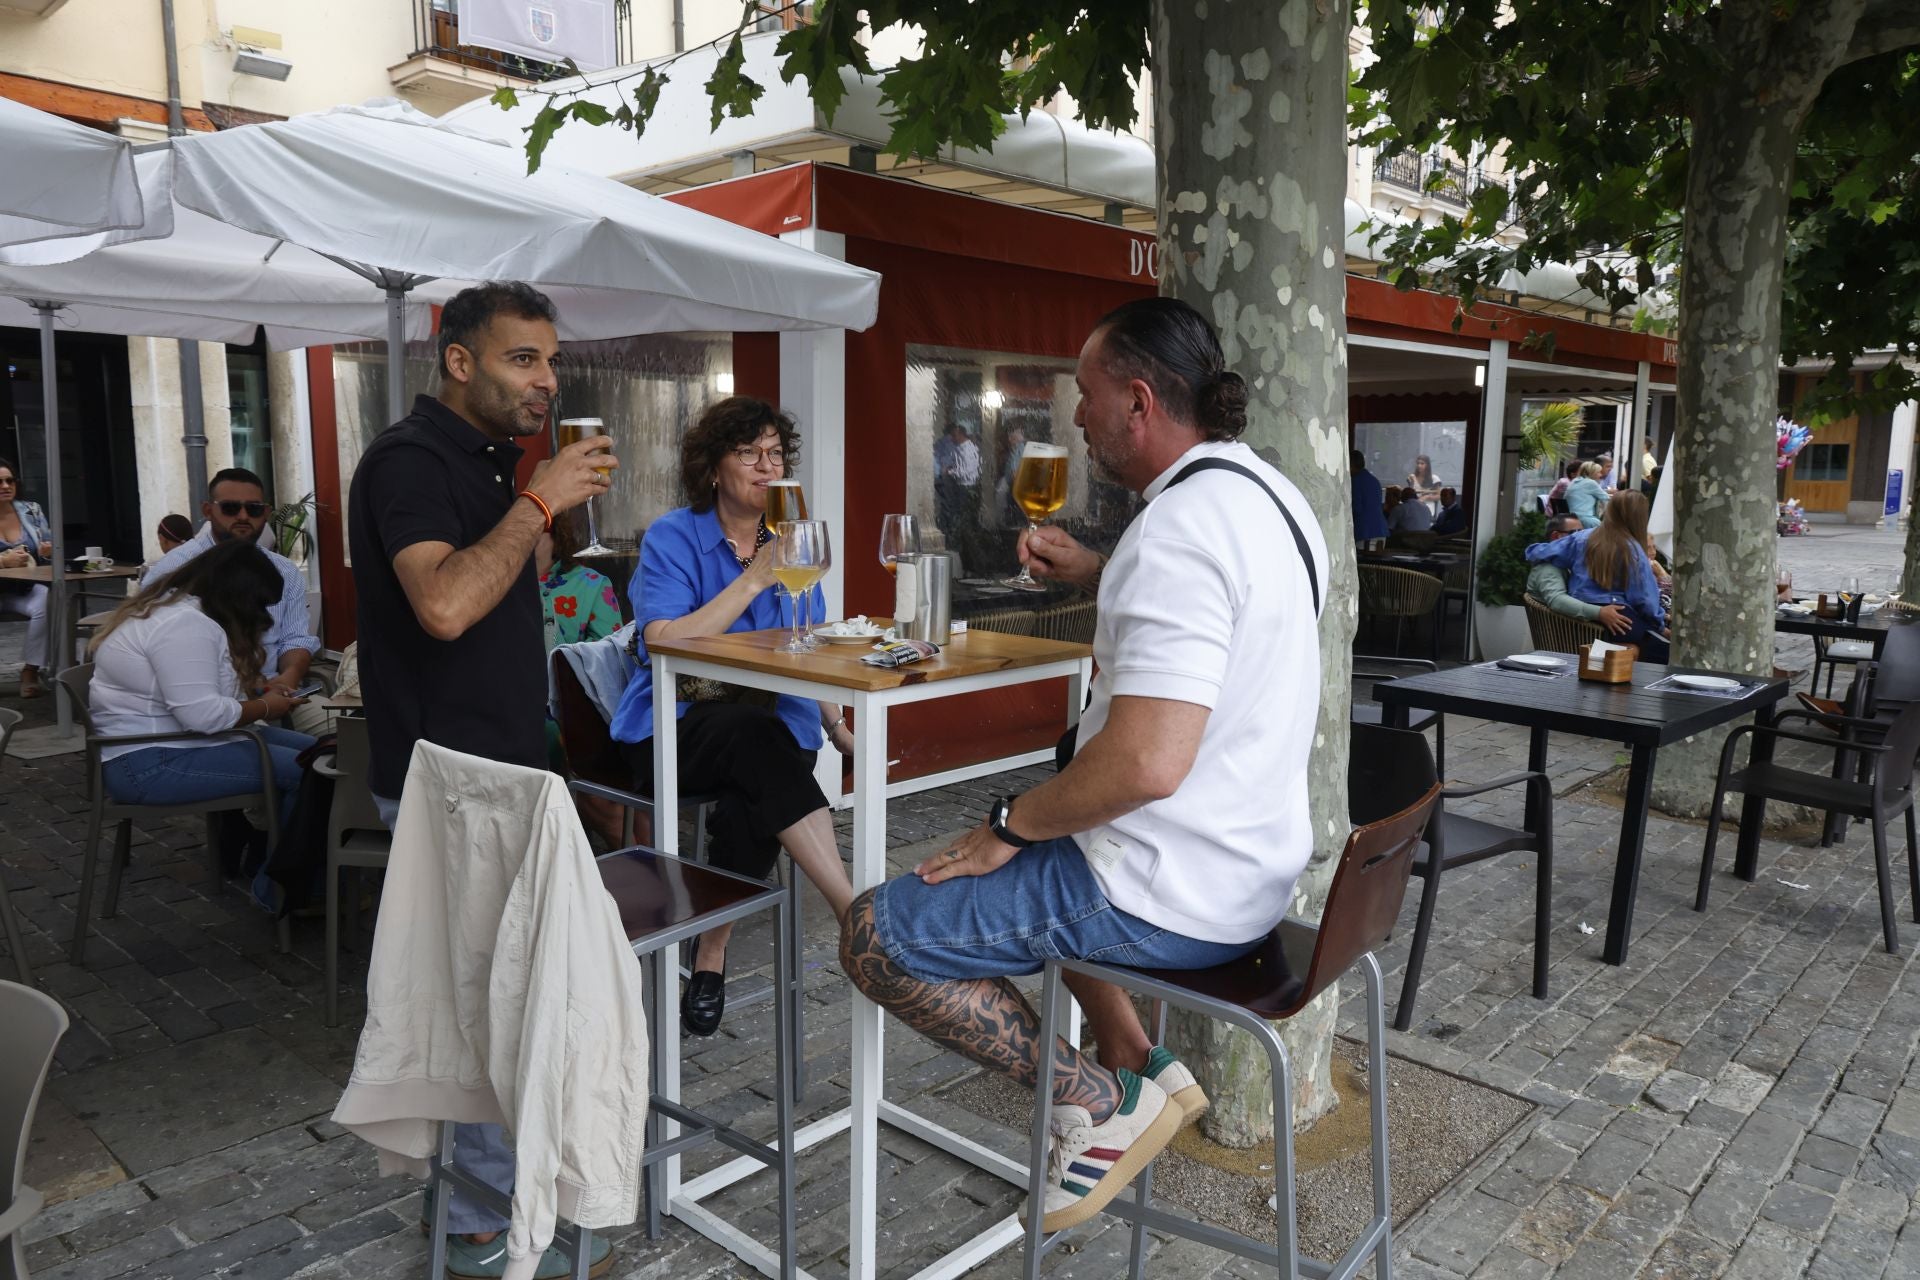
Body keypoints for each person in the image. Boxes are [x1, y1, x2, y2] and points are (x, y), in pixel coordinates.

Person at [838, 297, 1329, 1233]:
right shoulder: (1269, 497)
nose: (1076, 416)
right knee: (1056, 804)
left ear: (1139, 402)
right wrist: (1104, 570)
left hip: (1174, 892)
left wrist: (1008, 825)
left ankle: (1093, 1102)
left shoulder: (1175, 533)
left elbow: (1145, 765)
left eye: (1087, 394)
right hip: (1259, 869)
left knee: (878, 932)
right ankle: (1140, 1059)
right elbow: (1220, 614)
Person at [346, 279, 617, 1279]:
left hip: (500, 774)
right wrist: (540, 499)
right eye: (522, 358)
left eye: (551, 359)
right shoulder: (408, 462)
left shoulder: (493, 463)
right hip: (447, 784)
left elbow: (509, 593)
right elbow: (446, 604)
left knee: (508, 1002)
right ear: (458, 360)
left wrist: (539, 512)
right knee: (480, 1014)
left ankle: (503, 1203)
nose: (547, 379)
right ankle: (477, 1231)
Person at [607, 395, 856, 1037]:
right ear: (714, 468)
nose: (765, 466)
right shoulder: (674, 537)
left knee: (766, 767)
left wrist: (835, 726)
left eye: (774, 453)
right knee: (760, 742)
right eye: (748, 453)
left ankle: (710, 950)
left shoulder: (792, 541)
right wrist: (752, 580)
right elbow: (662, 638)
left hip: (771, 728)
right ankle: (853, 911)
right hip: (676, 723)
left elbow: (808, 641)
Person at [87, 539, 312, 832]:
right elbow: (204, 716)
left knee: (321, 753)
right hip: (152, 763)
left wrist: (257, 690)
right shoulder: (185, 625)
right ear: (239, 599)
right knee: (311, 771)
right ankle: (282, 873)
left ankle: (269, 856)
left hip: (170, 747)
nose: (264, 618)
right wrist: (266, 706)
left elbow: (195, 690)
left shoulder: (176, 611)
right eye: (260, 606)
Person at [141, 468, 320, 700]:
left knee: (342, 729)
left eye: (253, 509)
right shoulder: (173, 569)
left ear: (265, 513)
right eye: (230, 508)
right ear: (208, 510)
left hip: (274, 689)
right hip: (199, 697)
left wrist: (289, 677)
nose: (243, 516)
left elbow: (295, 638)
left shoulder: (284, 570)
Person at [1525, 490, 1668, 661]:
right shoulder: (1633, 549)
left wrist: (1534, 552)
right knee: (1665, 651)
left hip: (1580, 619)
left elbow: (1537, 552)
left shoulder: (1581, 538)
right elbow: (1644, 598)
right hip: (1618, 618)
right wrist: (1660, 625)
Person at [1526, 514, 1632, 637]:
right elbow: (1556, 600)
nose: (1581, 537)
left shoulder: (1570, 564)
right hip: (1567, 637)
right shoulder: (1548, 567)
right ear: (1556, 536)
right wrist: (1600, 613)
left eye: (1582, 532)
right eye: (1575, 532)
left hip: (1580, 630)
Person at [0, 457, 53, 698]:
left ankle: (31, 669)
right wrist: (3, 561)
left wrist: (47, 552)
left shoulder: (32, 510)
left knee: (46, 597)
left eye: (9, 480)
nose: (5, 486)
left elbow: (51, 555)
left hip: (22, 590)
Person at [933, 421, 983, 551]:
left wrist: (949, 471)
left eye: (953, 436)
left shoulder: (968, 449)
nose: (952, 439)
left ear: (959, 434)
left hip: (968, 489)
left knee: (963, 521)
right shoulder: (959, 448)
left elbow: (967, 471)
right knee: (958, 519)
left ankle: (965, 550)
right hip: (961, 487)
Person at [1351, 449, 1389, 547]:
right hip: (1380, 530)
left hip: (1364, 532)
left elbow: (1356, 508)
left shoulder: (1355, 481)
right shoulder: (1374, 480)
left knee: (1362, 561)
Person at [1566, 460, 1611, 528]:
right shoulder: (1591, 483)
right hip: (1586, 520)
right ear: (1592, 473)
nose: (1601, 475)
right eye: (1598, 472)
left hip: (1570, 519)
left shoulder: (1574, 482)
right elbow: (1607, 498)